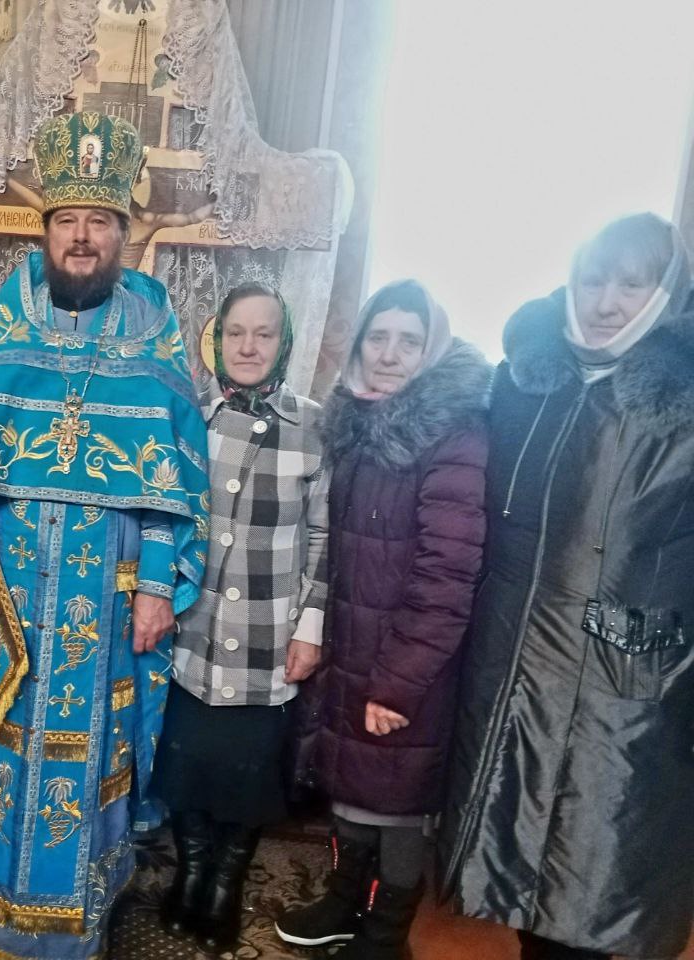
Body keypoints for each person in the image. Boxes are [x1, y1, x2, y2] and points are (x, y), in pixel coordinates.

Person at [0, 111, 210, 960]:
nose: (82, 237)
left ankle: (73, 925)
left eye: (100, 221)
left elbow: (176, 486)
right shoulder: (0, 336)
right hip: (4, 594)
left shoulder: (155, 341)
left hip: (108, 604)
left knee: (94, 756)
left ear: (122, 233)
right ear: (45, 231)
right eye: (67, 221)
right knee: (3, 747)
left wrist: (159, 586)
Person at [439, 213, 694, 960]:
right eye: (593, 280)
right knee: (515, 877)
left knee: (593, 885)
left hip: (629, 688)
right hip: (512, 669)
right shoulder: (524, 383)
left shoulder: (683, 400)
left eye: (631, 284)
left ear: (666, 291)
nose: (607, 302)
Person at [278, 280, 490, 960]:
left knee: (398, 805)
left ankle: (385, 933)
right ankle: (345, 901)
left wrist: (399, 682)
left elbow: (447, 577)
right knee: (353, 787)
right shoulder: (356, 425)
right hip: (354, 646)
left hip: (408, 664)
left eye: (409, 341)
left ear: (433, 350)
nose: (390, 354)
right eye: (378, 337)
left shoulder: (453, 437)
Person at [151, 282, 328, 952]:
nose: (249, 346)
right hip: (192, 632)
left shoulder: (312, 427)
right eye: (236, 333)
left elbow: (323, 536)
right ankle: (192, 871)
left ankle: (224, 882)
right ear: (217, 340)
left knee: (247, 771)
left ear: (284, 344)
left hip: (267, 634)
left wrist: (309, 629)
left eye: (264, 333)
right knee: (186, 763)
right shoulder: (188, 417)